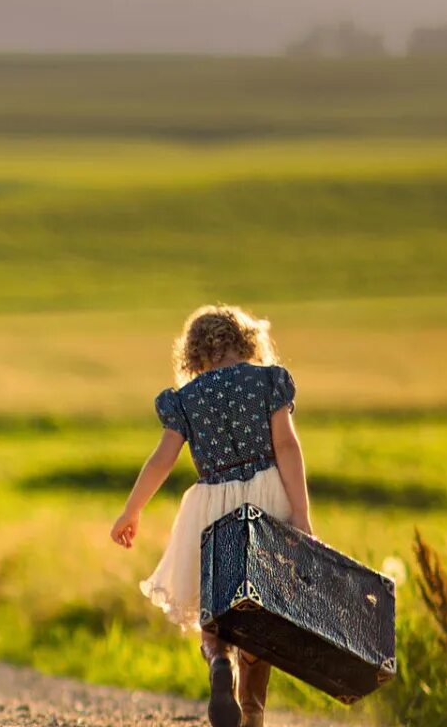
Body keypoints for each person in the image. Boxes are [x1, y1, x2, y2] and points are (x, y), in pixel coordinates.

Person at [109, 305, 314, 727]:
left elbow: (161, 460)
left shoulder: (186, 399)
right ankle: (253, 709)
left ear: (194, 355)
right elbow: (287, 447)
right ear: (248, 343)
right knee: (263, 607)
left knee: (215, 605)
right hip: (266, 500)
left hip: (210, 507)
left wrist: (132, 510)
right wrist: (300, 512)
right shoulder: (268, 382)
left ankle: (219, 660)